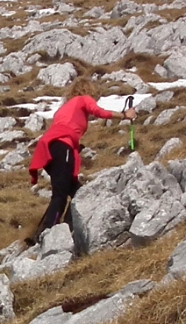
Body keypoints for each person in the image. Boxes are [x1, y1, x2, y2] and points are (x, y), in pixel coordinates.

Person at [27, 76, 138, 238]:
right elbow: (99, 112)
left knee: (78, 192)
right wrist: (124, 115)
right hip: (62, 146)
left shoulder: (64, 108)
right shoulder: (83, 99)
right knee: (61, 194)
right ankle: (48, 233)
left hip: (50, 149)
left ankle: (65, 227)